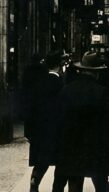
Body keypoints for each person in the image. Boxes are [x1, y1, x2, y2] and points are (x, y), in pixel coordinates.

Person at [55, 51, 109, 192]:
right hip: (97, 145)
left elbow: (58, 118)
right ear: (97, 73)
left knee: (74, 180)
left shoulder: (67, 90)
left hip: (72, 144)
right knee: (101, 181)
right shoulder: (102, 92)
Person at [23, 51, 66, 192]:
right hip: (58, 131)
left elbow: (30, 108)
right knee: (61, 163)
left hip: (40, 131)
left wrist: (28, 131)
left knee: (41, 163)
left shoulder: (38, 84)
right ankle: (56, 189)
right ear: (59, 66)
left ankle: (34, 184)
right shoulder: (62, 85)